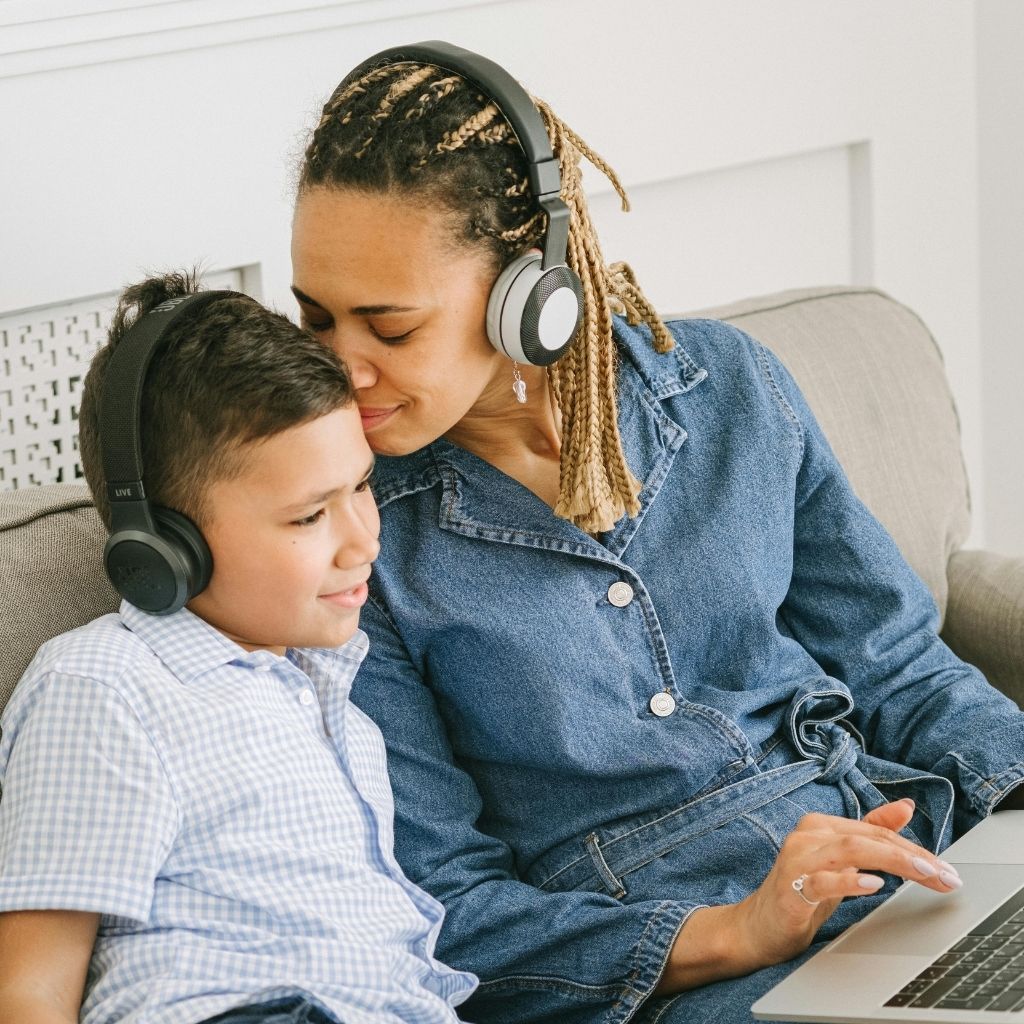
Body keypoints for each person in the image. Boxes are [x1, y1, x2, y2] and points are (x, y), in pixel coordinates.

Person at [287, 41, 1024, 1024]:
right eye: (315, 320)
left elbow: (895, 661)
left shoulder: (727, 386)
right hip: (691, 971)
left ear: (527, 298)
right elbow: (444, 910)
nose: (343, 370)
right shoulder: (349, 538)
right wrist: (738, 928)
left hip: (894, 860)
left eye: (388, 327)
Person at [0, 274, 476, 1024]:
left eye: (361, 487)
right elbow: (28, 990)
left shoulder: (335, 702)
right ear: (162, 549)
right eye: (309, 516)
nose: (363, 539)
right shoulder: (106, 686)